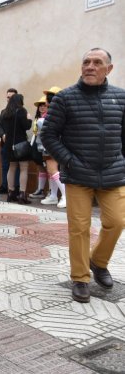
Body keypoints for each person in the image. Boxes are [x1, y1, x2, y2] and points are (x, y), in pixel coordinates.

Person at [40, 47, 125, 303]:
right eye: (86, 62)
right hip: (78, 174)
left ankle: (98, 261)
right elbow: (49, 135)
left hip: (113, 173)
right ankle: (80, 278)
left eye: (97, 62)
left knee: (117, 221)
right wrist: (69, 161)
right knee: (79, 228)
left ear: (108, 69)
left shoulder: (121, 98)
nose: (90, 66)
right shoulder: (65, 98)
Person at [0, 93, 32, 204]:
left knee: (11, 168)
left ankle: (10, 193)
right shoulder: (22, 111)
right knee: (24, 168)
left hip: (9, 144)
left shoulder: (6, 113)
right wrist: (29, 119)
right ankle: (22, 194)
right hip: (20, 143)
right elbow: (26, 126)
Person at [39, 86, 67, 208]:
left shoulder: (56, 112)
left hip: (53, 144)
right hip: (51, 144)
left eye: (47, 98)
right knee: (51, 171)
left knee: (52, 169)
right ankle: (53, 196)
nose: (45, 101)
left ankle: (66, 196)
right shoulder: (54, 111)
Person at [0, 88, 19, 194]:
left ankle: (15, 187)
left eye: (11, 97)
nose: (9, 99)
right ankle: (4, 186)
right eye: (8, 97)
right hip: (4, 144)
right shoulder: (3, 112)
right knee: (5, 166)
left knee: (16, 167)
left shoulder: (20, 111)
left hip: (16, 144)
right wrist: (2, 134)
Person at [29, 96, 49, 199]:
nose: (41, 107)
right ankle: (40, 190)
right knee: (40, 167)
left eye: (44, 105)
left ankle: (51, 191)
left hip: (46, 145)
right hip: (37, 143)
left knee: (50, 168)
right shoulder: (37, 118)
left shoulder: (48, 117)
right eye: (40, 106)